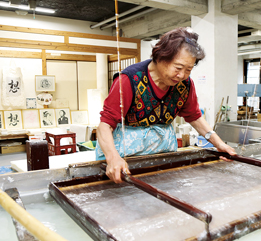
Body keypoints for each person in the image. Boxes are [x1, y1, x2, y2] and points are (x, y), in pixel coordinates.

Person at [96, 27, 236, 183]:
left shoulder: (185, 85)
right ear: (161, 57)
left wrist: (220, 144)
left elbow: (195, 117)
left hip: (162, 154)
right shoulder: (129, 80)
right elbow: (105, 125)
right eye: (178, 68)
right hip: (125, 158)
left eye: (188, 70)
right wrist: (113, 158)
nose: (182, 75)